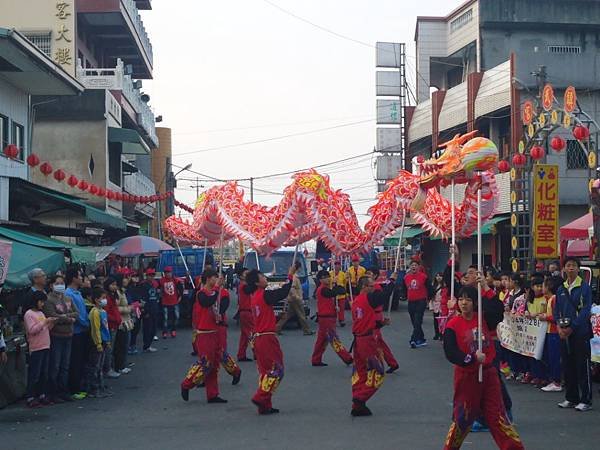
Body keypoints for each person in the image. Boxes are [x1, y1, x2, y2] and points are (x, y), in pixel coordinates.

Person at [442, 286, 524, 450]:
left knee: (498, 417)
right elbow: (450, 352)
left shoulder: (483, 319)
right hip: (467, 377)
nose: (464, 303)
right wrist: (471, 359)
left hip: (489, 376)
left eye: (468, 300)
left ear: (475, 303)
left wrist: (486, 288)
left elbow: (498, 309)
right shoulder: (452, 325)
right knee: (463, 419)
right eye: (461, 299)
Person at [246, 266, 296, 415]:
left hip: (260, 337)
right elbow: (283, 292)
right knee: (277, 370)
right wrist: (290, 276)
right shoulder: (264, 294)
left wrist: (276, 318)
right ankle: (260, 396)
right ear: (256, 282)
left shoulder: (255, 297)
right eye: (262, 276)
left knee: (266, 372)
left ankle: (265, 405)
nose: (265, 278)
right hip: (267, 338)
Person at [350, 272, 397, 416]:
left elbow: (364, 321)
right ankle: (359, 399)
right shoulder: (367, 298)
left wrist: (381, 323)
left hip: (359, 339)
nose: (374, 288)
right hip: (366, 341)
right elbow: (385, 295)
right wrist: (392, 280)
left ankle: (357, 404)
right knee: (378, 372)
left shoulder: (356, 301)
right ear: (364, 287)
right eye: (371, 286)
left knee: (362, 373)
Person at [181, 269, 229, 404]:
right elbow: (207, 301)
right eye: (215, 277)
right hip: (204, 333)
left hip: (214, 331)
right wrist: (217, 287)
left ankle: (212, 394)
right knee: (205, 363)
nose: (217, 279)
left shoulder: (215, 293)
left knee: (214, 365)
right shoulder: (201, 294)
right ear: (208, 279)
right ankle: (187, 384)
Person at [555, 257, 593, 412]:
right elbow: (556, 309)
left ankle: (586, 400)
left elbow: (585, 311)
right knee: (567, 365)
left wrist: (573, 327)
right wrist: (559, 326)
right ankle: (571, 397)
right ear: (564, 269)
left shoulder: (584, 287)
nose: (570, 268)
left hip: (580, 333)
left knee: (582, 366)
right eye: (568, 266)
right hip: (564, 333)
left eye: (573, 266)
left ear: (578, 269)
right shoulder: (561, 288)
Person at [44, 274, 79, 403]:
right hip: (57, 336)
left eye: (62, 283)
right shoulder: (49, 300)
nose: (60, 285)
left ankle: (63, 391)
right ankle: (53, 392)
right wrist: (69, 319)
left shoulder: (67, 298)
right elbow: (53, 316)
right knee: (55, 366)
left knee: (65, 365)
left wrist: (64, 317)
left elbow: (77, 313)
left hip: (68, 335)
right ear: (51, 285)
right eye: (57, 283)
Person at [311, 270, 353, 367]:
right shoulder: (322, 289)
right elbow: (337, 292)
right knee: (334, 339)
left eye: (328, 276)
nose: (328, 278)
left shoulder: (325, 289)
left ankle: (316, 359)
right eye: (325, 277)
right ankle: (347, 358)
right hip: (326, 319)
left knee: (321, 340)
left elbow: (335, 293)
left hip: (326, 318)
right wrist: (336, 284)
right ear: (320, 279)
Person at [24, 291, 57, 408]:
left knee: (44, 373)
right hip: (36, 347)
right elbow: (32, 330)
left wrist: (51, 323)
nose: (42, 304)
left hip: (45, 345)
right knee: (35, 373)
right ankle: (30, 397)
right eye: (41, 302)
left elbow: (45, 329)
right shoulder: (29, 314)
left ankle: (42, 394)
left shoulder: (41, 313)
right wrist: (45, 322)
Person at [66, 268, 90, 399]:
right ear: (74, 278)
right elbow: (76, 314)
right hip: (75, 331)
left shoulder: (78, 293)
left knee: (81, 360)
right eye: (80, 276)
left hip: (83, 331)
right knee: (75, 360)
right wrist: (86, 323)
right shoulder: (68, 294)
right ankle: (74, 388)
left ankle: (81, 386)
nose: (81, 278)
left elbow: (83, 312)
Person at [275, 261, 313, 335]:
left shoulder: (293, 276)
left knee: (287, 315)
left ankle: (277, 328)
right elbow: (291, 289)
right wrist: (297, 297)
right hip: (295, 299)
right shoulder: (294, 277)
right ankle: (307, 330)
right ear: (298, 268)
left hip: (292, 299)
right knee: (302, 315)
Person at [86, 288, 111, 398]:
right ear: (96, 300)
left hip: (105, 341)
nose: (105, 300)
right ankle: (94, 388)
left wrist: (108, 340)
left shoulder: (103, 311)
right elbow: (96, 329)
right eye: (103, 298)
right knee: (95, 366)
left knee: (101, 366)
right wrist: (98, 343)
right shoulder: (94, 312)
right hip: (97, 342)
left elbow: (106, 328)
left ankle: (101, 386)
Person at [215, 281, 242, 385]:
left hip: (220, 324)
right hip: (207, 326)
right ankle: (206, 377)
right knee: (208, 355)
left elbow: (222, 308)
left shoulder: (224, 293)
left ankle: (235, 371)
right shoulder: (205, 292)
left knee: (221, 352)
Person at [540, 276, 563, 392]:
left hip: (554, 332)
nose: (542, 288)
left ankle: (557, 382)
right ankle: (554, 380)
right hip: (550, 331)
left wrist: (545, 317)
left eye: (543, 285)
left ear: (549, 287)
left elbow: (556, 317)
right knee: (551, 357)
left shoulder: (554, 299)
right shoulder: (549, 299)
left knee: (554, 357)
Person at [524, 276, 548, 386]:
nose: (539, 288)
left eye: (540, 286)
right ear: (532, 287)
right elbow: (526, 310)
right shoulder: (529, 299)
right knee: (532, 354)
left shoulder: (546, 298)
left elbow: (547, 313)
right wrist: (527, 314)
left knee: (542, 355)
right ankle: (535, 375)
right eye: (536, 286)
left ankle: (544, 376)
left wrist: (537, 315)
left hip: (543, 330)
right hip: (532, 330)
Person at [403, 260, 431, 348]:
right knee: (414, 322)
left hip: (421, 301)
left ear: (418, 267)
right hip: (411, 301)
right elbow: (404, 289)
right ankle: (422, 339)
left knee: (417, 320)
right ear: (410, 267)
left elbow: (429, 288)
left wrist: (429, 299)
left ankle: (413, 340)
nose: (413, 267)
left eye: (415, 265)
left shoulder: (424, 277)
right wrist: (403, 296)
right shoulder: (406, 277)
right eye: (412, 265)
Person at [114, 275, 133, 375]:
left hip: (127, 321)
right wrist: (129, 309)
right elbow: (116, 308)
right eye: (124, 278)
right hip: (121, 322)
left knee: (125, 344)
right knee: (121, 345)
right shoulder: (117, 293)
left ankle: (122, 364)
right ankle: (120, 366)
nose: (126, 280)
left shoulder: (122, 291)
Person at [236, 268, 254, 361]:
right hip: (246, 312)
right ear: (241, 276)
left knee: (244, 335)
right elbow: (250, 289)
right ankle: (257, 352)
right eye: (246, 274)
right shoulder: (243, 286)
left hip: (245, 312)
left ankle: (241, 354)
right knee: (252, 333)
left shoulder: (244, 285)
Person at [141, 269, 160, 353]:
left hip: (154, 309)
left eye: (153, 275)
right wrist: (145, 311)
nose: (151, 277)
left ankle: (149, 345)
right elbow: (142, 299)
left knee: (153, 329)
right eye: (150, 275)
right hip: (147, 311)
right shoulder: (143, 285)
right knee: (147, 329)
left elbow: (156, 297)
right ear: (146, 276)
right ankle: (146, 345)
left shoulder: (154, 285)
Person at [160, 266, 181, 339]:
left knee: (176, 317)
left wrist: (180, 296)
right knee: (165, 318)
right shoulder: (161, 281)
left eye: (169, 272)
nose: (168, 274)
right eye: (166, 272)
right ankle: (165, 332)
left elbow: (180, 288)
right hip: (165, 302)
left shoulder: (175, 280)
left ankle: (173, 330)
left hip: (174, 301)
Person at [330, 260, 348, 326]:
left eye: (338, 265)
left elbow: (345, 283)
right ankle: (333, 319)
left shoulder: (343, 274)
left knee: (341, 307)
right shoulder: (330, 273)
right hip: (333, 293)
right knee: (333, 307)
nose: (337, 266)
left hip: (341, 293)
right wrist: (333, 282)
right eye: (336, 264)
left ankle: (341, 320)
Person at [431, 272, 444, 340]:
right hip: (435, 304)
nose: (438, 278)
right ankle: (437, 333)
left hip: (442, 304)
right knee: (436, 320)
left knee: (442, 320)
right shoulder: (433, 285)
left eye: (440, 276)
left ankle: (442, 334)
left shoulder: (444, 286)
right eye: (437, 276)